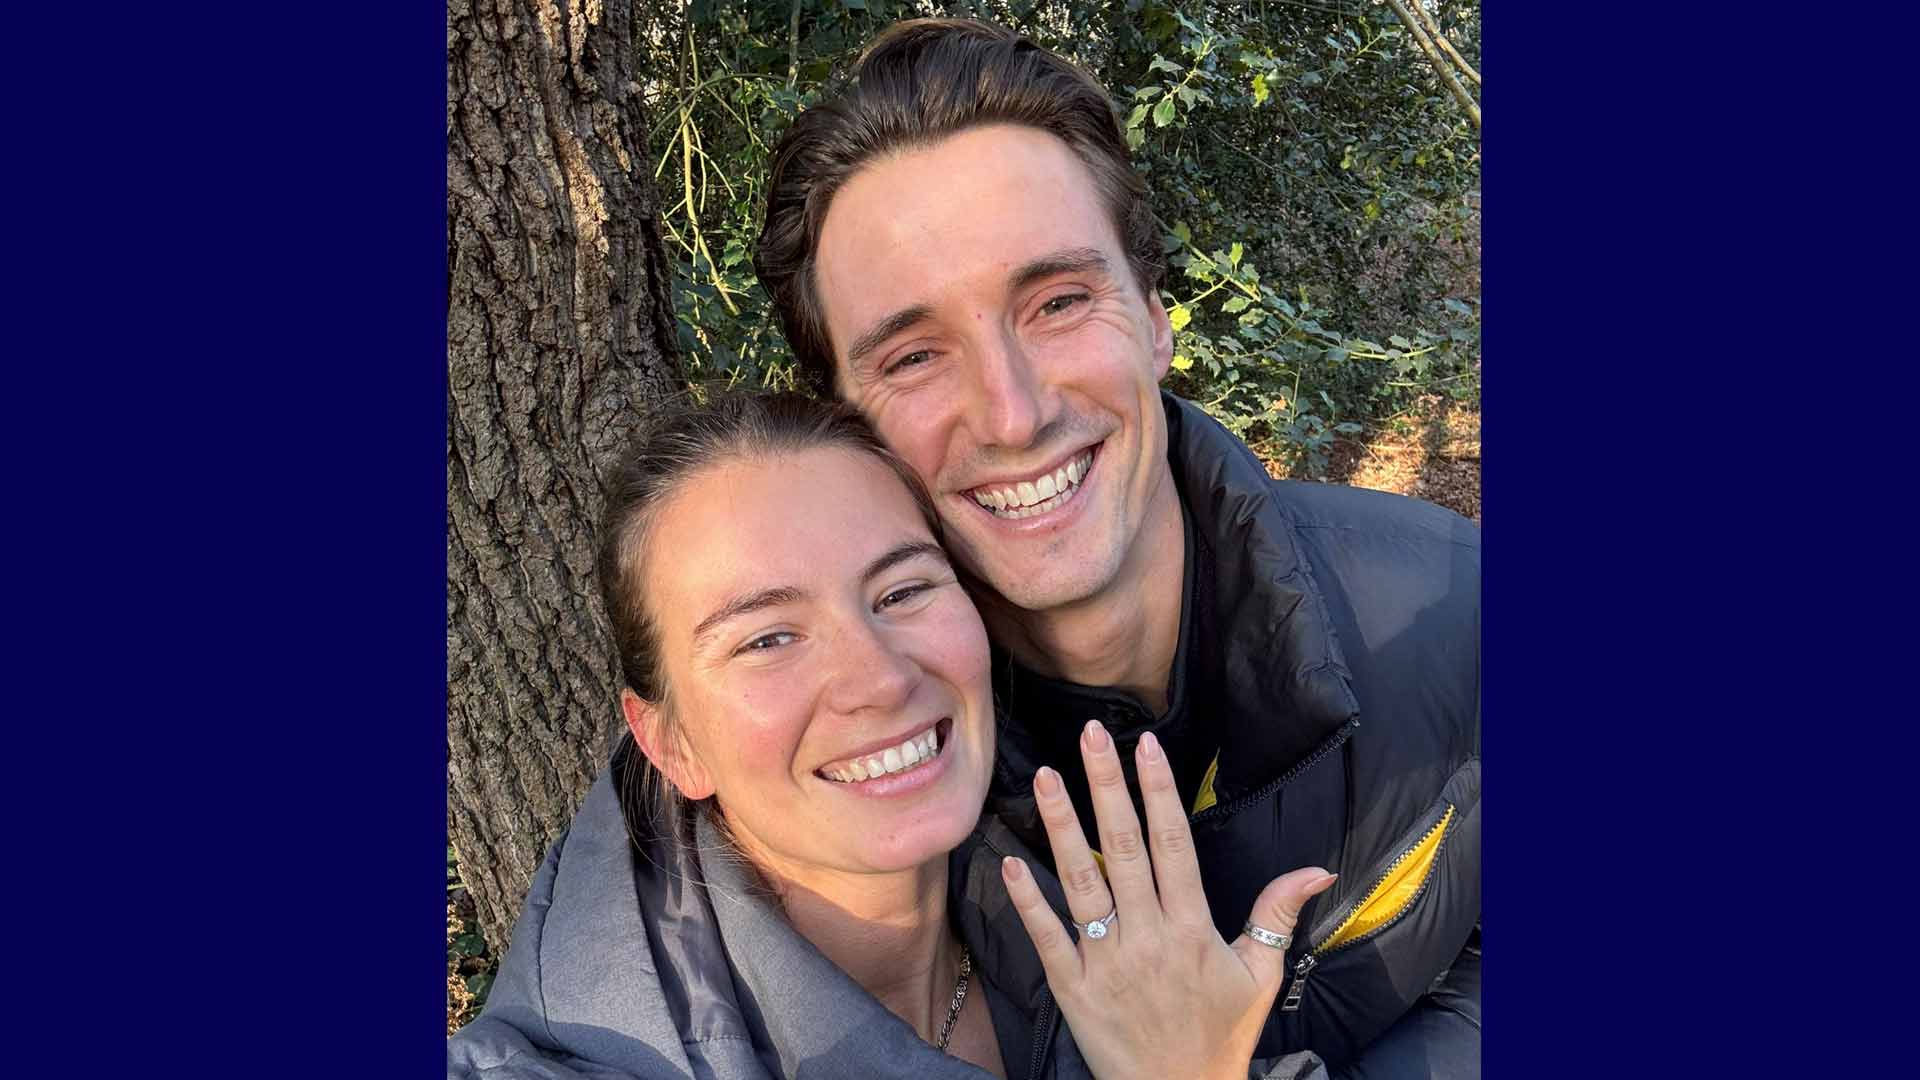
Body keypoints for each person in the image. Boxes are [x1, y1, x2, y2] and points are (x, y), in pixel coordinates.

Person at [754, 19, 1481, 1076]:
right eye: (914, 356)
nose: (1010, 414)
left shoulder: (1455, 611)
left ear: (1153, 317)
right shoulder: (814, 753)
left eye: (1056, 301)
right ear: (843, 422)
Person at [447, 392, 1341, 1080]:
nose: (880, 677)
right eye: (766, 639)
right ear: (668, 741)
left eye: (904, 591)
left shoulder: (1094, 906)